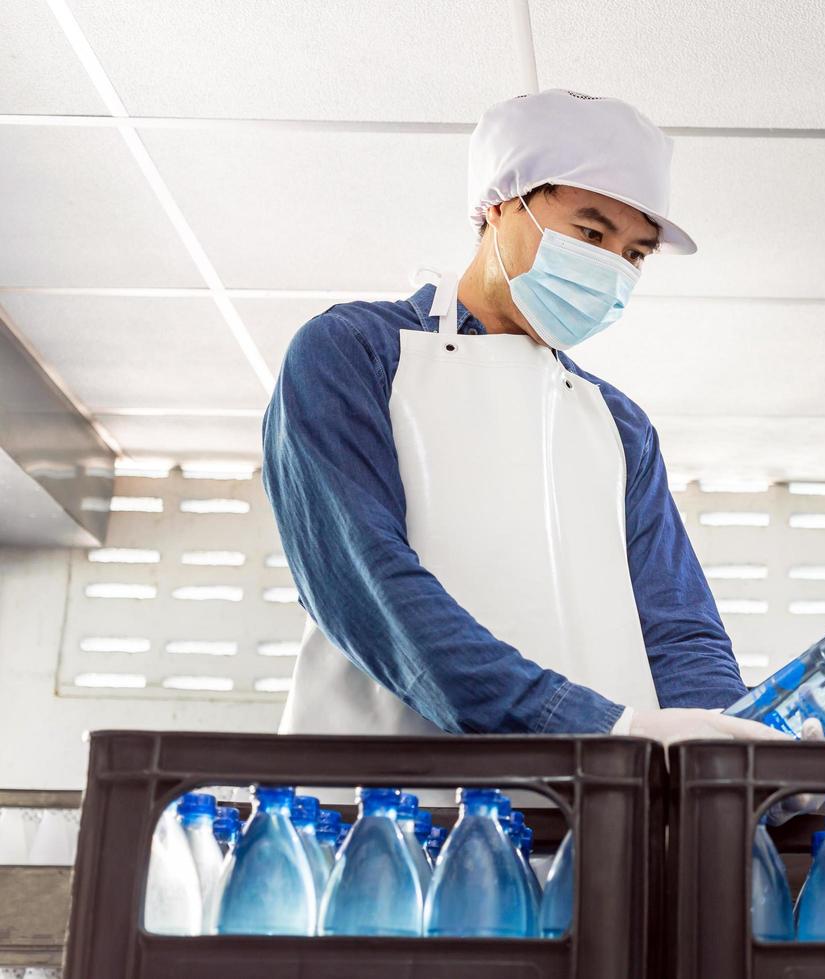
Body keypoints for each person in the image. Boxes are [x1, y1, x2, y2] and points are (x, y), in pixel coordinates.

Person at [262, 90, 785, 744]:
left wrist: (755, 743)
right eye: (591, 233)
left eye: (634, 253)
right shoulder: (355, 351)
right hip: (385, 805)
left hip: (589, 806)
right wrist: (581, 725)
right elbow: (367, 584)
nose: (610, 269)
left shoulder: (620, 427)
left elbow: (678, 631)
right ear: (502, 202)